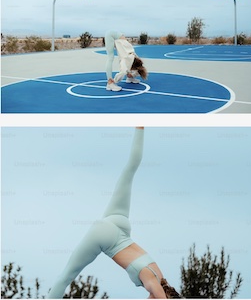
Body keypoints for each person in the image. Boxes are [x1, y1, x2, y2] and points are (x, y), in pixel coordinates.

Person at [47, 128, 180, 299]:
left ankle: (140, 127)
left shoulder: (160, 276)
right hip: (106, 238)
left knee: (130, 169)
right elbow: (159, 295)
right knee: (66, 276)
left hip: (121, 224)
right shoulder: (154, 286)